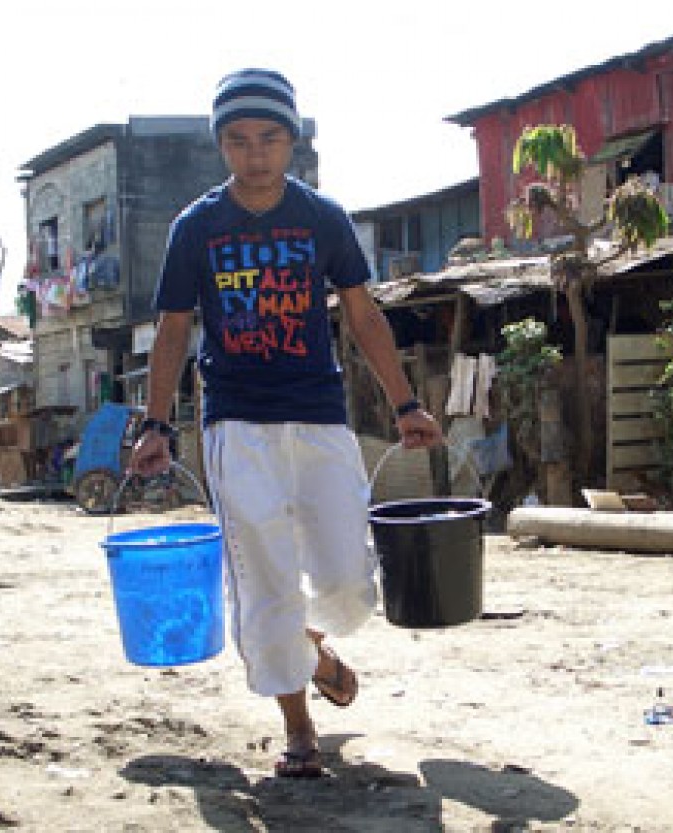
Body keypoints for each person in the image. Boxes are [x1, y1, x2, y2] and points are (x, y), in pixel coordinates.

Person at [129, 68, 444, 778]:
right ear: (222, 146)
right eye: (238, 140)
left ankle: (314, 643)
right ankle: (298, 728)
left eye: (269, 137)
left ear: (291, 139)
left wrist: (404, 403)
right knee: (265, 579)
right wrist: (155, 421)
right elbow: (174, 329)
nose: (256, 153)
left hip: (319, 418)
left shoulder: (322, 219)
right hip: (236, 425)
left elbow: (362, 315)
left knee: (347, 582)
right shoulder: (197, 227)